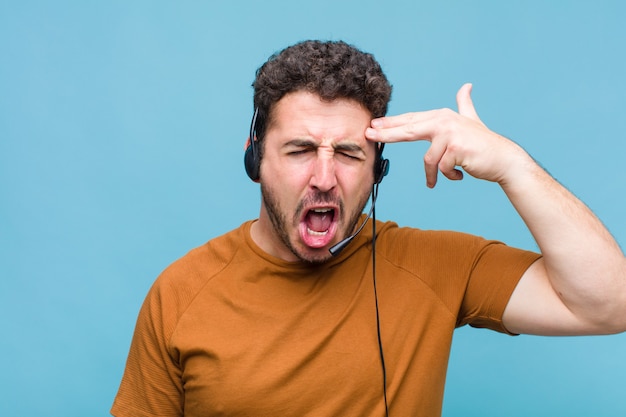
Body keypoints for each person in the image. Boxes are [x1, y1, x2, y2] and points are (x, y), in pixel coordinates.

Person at [111, 40, 626, 417]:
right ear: (255, 159)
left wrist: (513, 166)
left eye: (350, 154)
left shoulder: (434, 267)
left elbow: (609, 302)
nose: (323, 178)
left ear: (378, 171)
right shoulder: (181, 294)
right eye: (299, 150)